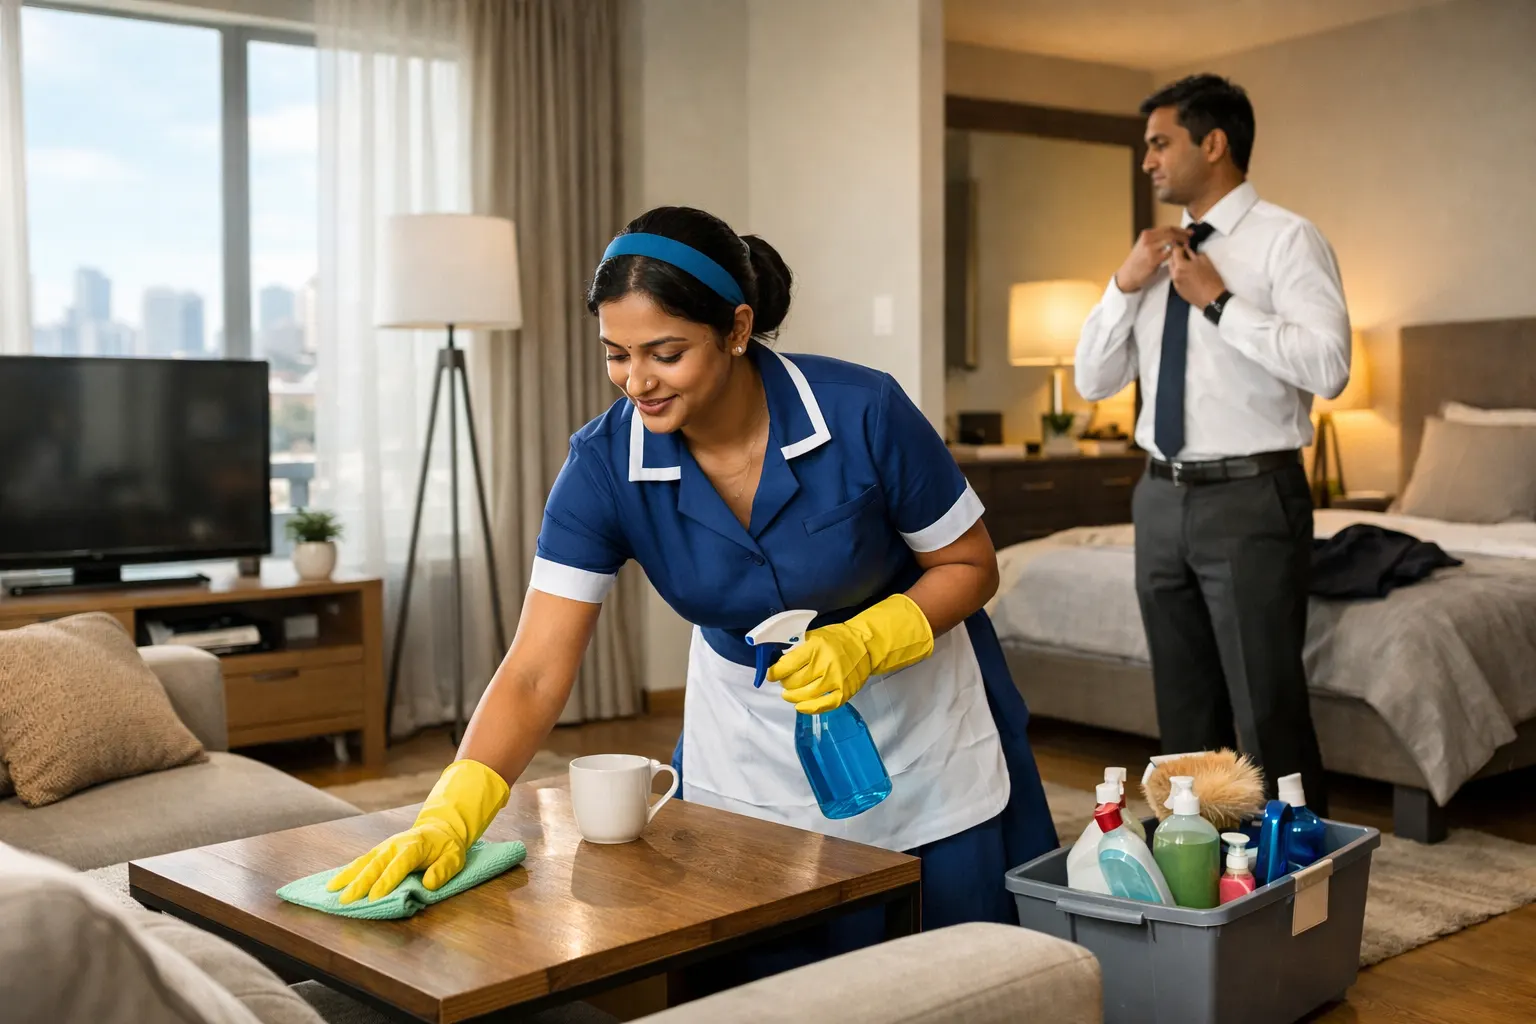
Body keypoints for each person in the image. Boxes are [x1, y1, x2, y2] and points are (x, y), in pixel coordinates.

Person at [326, 205, 1058, 966]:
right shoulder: (604, 465)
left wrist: (868, 641)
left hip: (920, 725)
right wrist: (453, 809)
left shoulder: (863, 411)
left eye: (665, 353)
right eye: (616, 355)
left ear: (738, 330)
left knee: (955, 974)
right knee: (764, 973)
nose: (636, 382)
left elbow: (970, 565)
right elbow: (538, 667)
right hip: (746, 733)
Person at [1075, 74, 1350, 815]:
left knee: (1267, 708)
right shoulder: (1154, 257)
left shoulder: (1287, 240)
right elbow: (1093, 381)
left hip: (1251, 496)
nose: (1148, 162)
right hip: (1159, 496)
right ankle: (1201, 881)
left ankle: (1295, 876)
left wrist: (1220, 303)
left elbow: (1331, 368)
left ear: (1214, 143)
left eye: (1160, 143)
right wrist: (1123, 285)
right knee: (1183, 708)